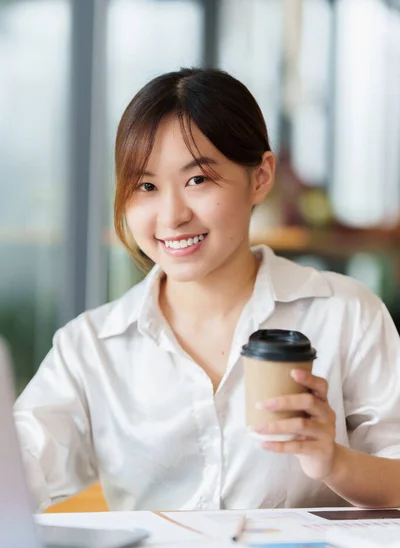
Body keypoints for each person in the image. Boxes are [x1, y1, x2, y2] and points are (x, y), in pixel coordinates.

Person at [15, 68, 400, 513]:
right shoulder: (90, 348)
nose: (172, 215)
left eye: (197, 180)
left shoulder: (346, 314)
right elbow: (22, 465)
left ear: (260, 177)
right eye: (146, 186)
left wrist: (332, 461)